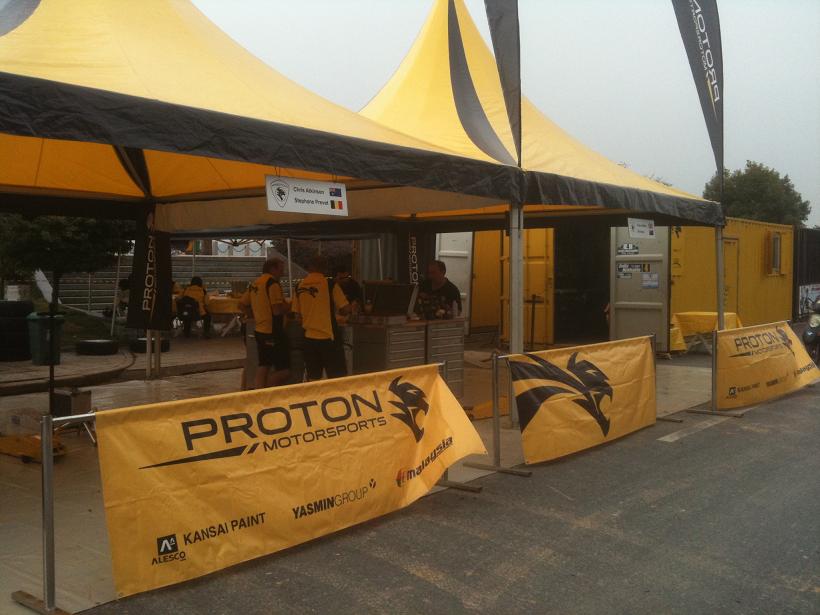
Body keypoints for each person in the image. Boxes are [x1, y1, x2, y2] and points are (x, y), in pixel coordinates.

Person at [292, 255, 351, 380]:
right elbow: (345, 309)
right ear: (325, 268)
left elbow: (297, 317)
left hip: (309, 339)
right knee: (337, 378)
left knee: (314, 378)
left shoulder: (299, 286)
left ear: (309, 268)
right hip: (329, 338)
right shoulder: (330, 284)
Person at [241, 258, 291, 389]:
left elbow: (241, 304)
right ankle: (267, 391)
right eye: (281, 269)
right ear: (273, 269)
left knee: (264, 365)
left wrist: (254, 315)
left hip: (259, 330)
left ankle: (259, 394)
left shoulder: (255, 283)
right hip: (272, 331)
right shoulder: (272, 284)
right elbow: (277, 310)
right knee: (284, 371)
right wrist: (291, 306)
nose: (283, 272)